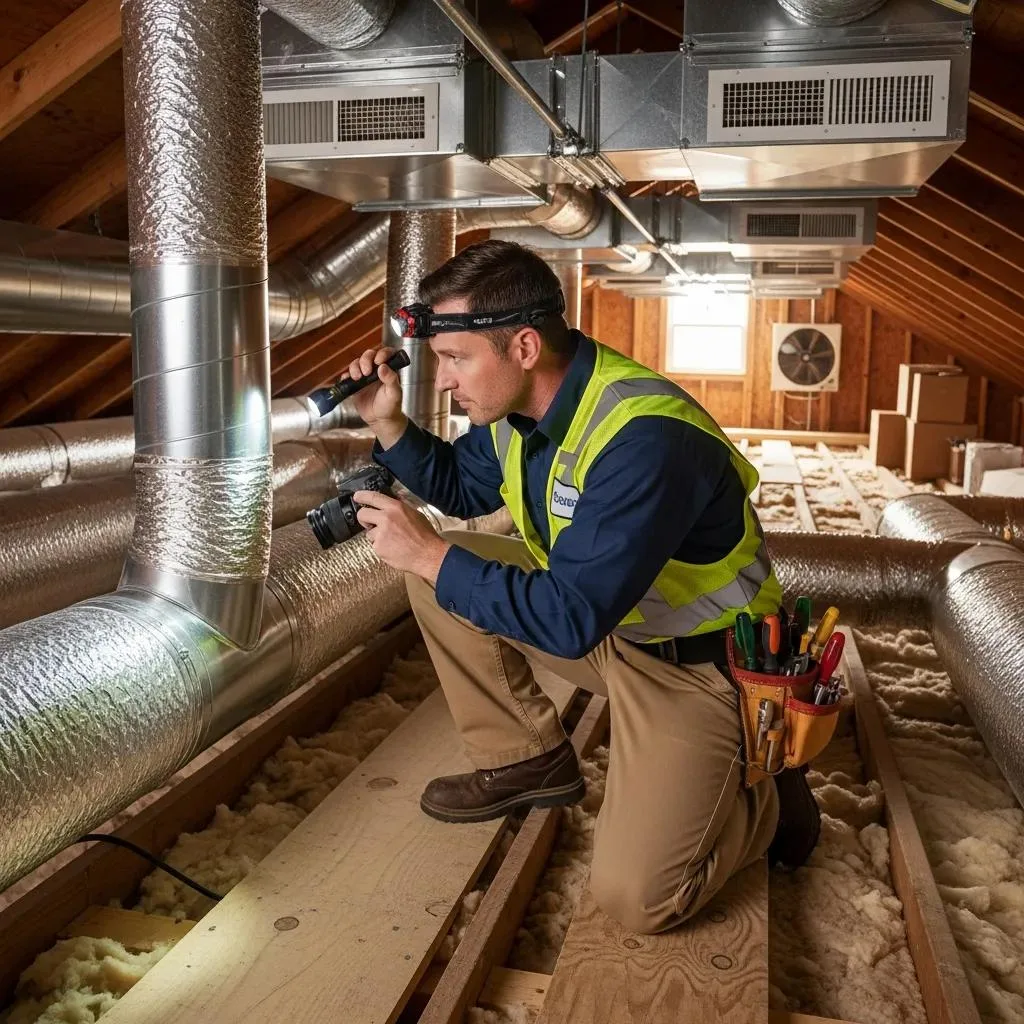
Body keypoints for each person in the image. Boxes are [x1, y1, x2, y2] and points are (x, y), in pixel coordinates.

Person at [346, 239, 820, 935]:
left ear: (526, 347)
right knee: (438, 567)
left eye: (455, 359)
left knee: (639, 900)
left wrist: (432, 556)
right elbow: (460, 484)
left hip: (704, 673)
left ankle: (765, 797)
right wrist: (387, 423)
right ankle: (529, 759)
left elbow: (569, 621)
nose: (443, 381)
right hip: (617, 637)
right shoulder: (519, 412)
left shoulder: (645, 438)